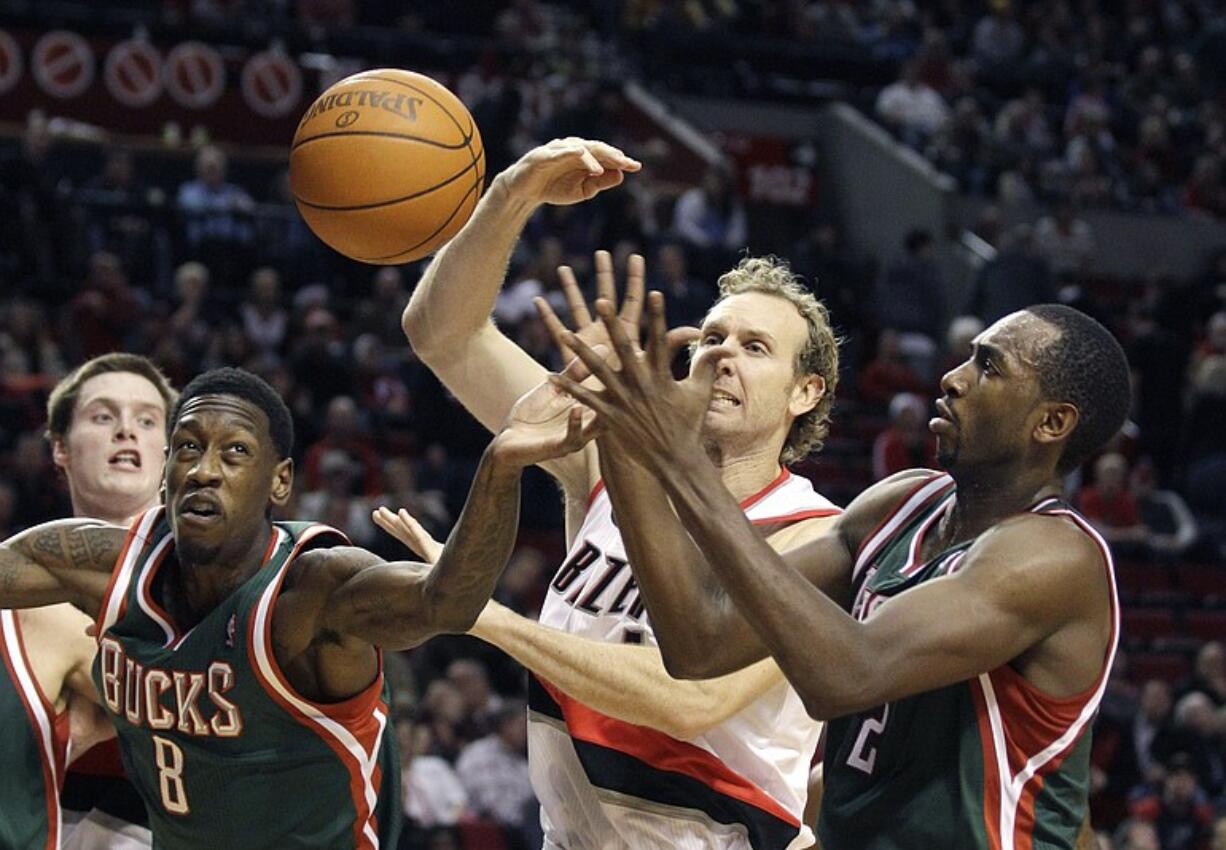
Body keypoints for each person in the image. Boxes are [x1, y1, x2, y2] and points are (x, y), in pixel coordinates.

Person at [554, 299, 1130, 849]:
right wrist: (623, 436)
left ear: (1051, 422)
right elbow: (701, 642)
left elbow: (846, 676)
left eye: (989, 367)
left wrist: (681, 460)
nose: (953, 378)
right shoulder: (901, 504)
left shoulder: (1056, 556)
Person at [402, 137, 842, 849]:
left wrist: (486, 618)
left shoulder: (815, 536)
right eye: (714, 337)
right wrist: (513, 192)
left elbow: (689, 698)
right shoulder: (611, 466)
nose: (723, 352)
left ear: (805, 391)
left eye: (754, 348)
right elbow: (442, 336)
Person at [0, 365, 581, 848]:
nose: (204, 471)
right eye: (188, 449)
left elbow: (447, 601)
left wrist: (501, 466)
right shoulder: (104, 566)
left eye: (234, 452)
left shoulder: (311, 592)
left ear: (279, 483)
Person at [1, 353, 176, 850]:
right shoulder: (18, 593)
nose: (127, 432)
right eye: (104, 416)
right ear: (59, 447)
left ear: (170, 451)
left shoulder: (221, 585)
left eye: (146, 420)